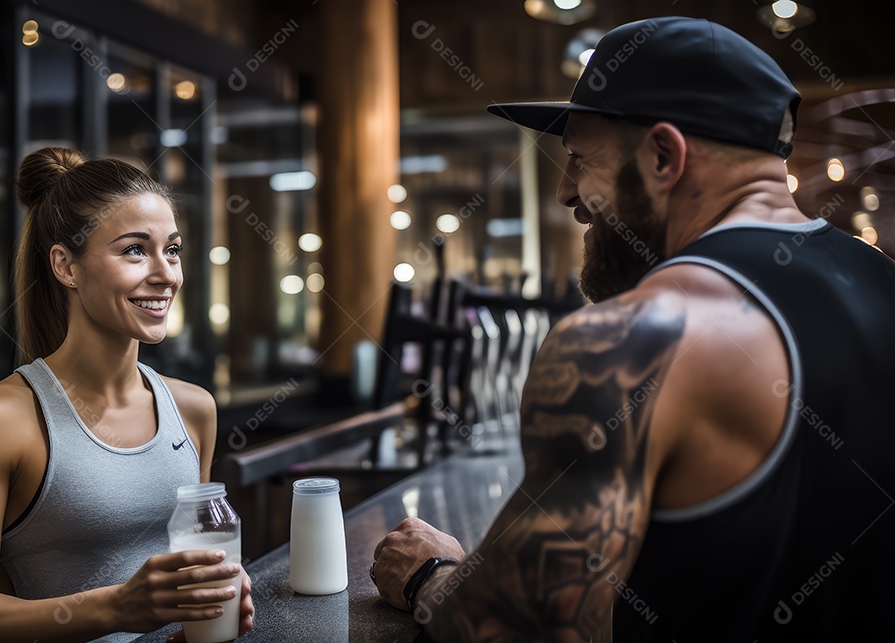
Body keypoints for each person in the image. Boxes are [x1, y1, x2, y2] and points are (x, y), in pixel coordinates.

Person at [373, 16, 895, 642]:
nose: (566, 192)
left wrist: (431, 574)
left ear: (663, 156)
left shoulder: (634, 339)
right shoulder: (884, 283)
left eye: (579, 157)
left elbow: (520, 629)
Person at [0, 147, 253, 642]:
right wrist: (117, 608)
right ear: (66, 266)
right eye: (134, 250)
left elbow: (188, 571)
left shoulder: (194, 409)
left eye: (173, 249)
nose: (166, 274)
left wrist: (210, 606)